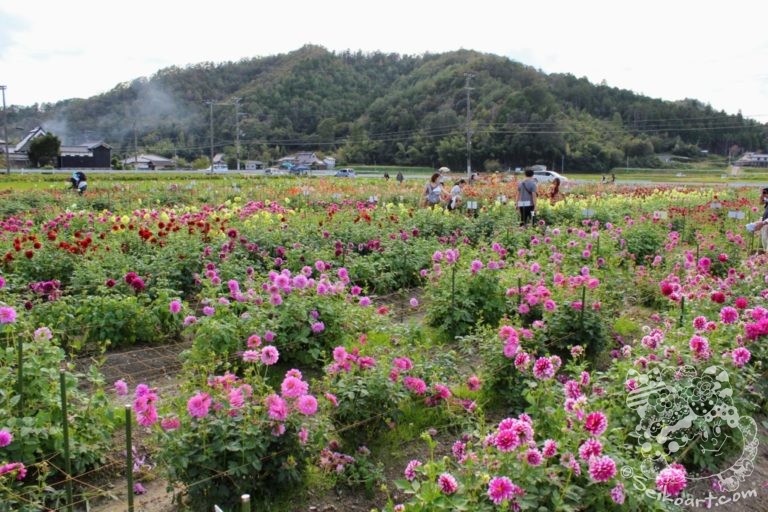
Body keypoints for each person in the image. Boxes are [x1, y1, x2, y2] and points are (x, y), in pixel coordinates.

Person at [751, 188, 768, 252]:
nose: (765, 194)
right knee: (764, 239)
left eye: (765, 193)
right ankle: (766, 254)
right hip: (764, 222)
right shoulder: (766, 199)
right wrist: (762, 196)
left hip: (766, 222)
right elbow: (760, 203)